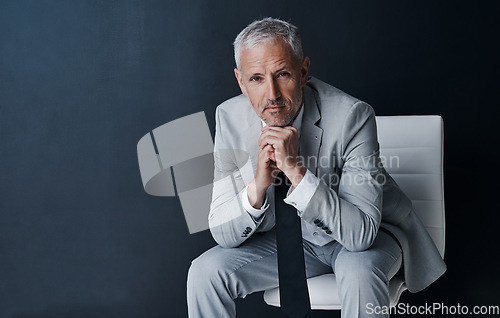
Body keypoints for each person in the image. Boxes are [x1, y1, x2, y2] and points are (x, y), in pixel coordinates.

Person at [187, 17, 446, 318]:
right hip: (289, 241)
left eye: (282, 74)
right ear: (241, 82)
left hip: (359, 236)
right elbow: (223, 232)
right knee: (205, 272)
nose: (271, 94)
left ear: (303, 71)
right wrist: (257, 187)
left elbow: (360, 236)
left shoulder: (352, 116)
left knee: (359, 271)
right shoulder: (228, 118)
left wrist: (296, 171)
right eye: (256, 78)